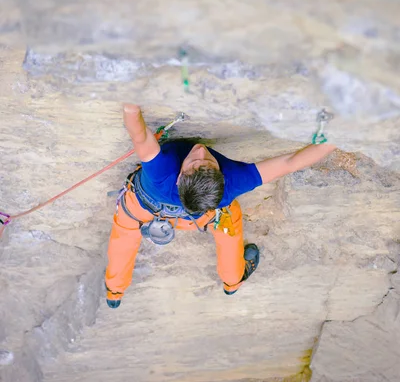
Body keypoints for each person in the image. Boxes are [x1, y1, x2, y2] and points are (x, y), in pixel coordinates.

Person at [105, 104, 337, 308]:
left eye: (204, 162)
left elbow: (139, 135)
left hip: (139, 207)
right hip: (195, 217)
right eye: (199, 161)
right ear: (178, 180)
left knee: (124, 235)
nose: (200, 151)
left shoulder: (162, 172)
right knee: (229, 221)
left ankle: (115, 291)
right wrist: (337, 138)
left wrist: (131, 106)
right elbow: (290, 163)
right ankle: (232, 281)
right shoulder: (230, 184)